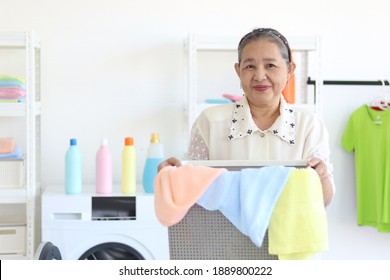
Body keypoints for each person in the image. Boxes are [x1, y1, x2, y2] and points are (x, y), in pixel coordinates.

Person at [159, 28, 334, 207]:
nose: (259, 76)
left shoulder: (309, 125)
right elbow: (192, 193)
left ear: (289, 70)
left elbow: (323, 201)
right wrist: (171, 177)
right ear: (238, 71)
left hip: (291, 235)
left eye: (270, 65)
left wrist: (323, 176)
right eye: (250, 66)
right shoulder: (210, 122)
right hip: (222, 234)